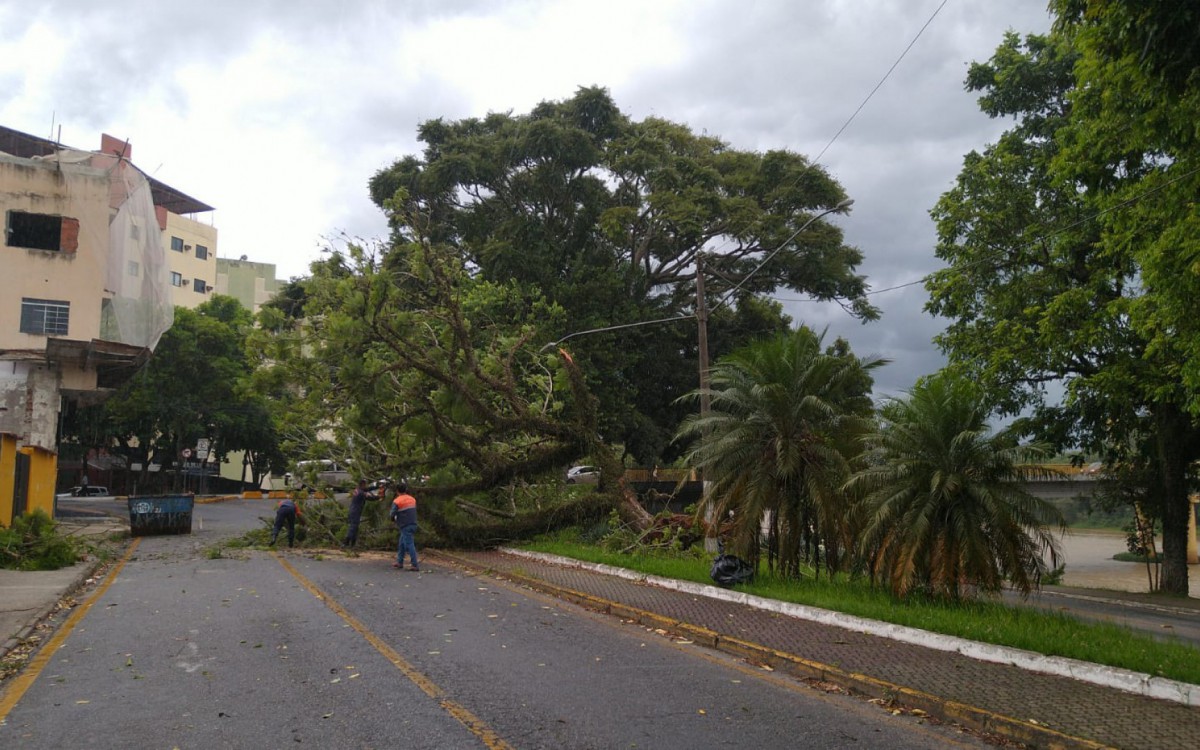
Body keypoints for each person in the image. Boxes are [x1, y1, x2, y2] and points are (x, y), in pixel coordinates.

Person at [389, 480, 419, 571]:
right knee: (402, 543)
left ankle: (415, 564)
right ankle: (399, 562)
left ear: (397, 491)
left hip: (405, 525)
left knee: (409, 544)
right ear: (406, 490)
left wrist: (393, 520)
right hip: (413, 523)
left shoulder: (397, 501)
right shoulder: (412, 499)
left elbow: (392, 514)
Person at [343, 479, 375, 547]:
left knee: (355, 527)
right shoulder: (361, 493)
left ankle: (352, 544)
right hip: (356, 511)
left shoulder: (357, 490)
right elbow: (371, 498)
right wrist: (379, 497)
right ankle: (346, 542)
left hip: (352, 510)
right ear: (363, 484)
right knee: (353, 527)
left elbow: (367, 489)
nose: (366, 486)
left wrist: (377, 487)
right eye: (365, 484)